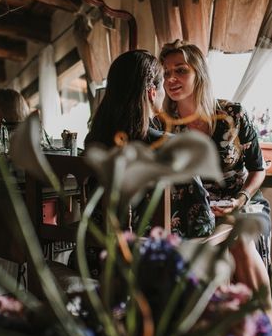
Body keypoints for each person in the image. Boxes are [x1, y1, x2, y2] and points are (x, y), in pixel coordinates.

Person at [159, 40, 272, 336]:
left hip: (243, 203)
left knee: (240, 234)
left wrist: (239, 199)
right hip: (198, 211)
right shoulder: (164, 126)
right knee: (222, 256)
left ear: (198, 73)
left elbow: (258, 169)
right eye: (165, 74)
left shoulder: (233, 114)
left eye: (180, 70)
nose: (171, 78)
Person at [85, 49, 215, 240]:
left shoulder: (93, 143)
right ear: (153, 93)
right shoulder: (171, 147)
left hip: (95, 257)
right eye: (163, 83)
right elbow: (202, 224)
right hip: (148, 261)